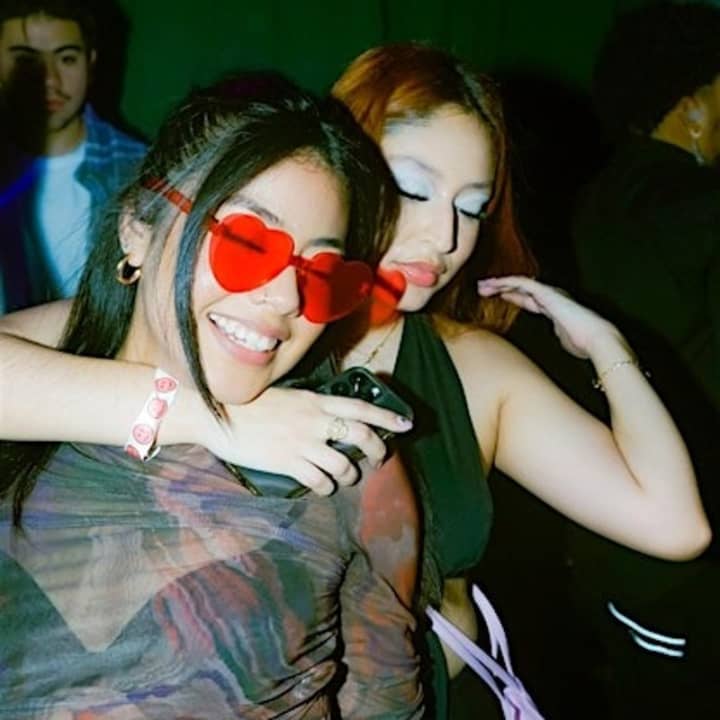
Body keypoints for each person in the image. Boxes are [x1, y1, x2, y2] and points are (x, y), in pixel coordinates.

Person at [0, 43, 711, 718]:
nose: (445, 237)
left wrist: (609, 348)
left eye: (471, 207)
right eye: (413, 190)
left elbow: (672, 521)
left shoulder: (464, 362)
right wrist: (204, 415)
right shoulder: (222, 320)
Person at [0, 70, 424, 718]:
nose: (285, 298)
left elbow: (385, 697)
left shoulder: (341, 456)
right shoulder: (37, 408)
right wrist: (205, 417)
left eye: (322, 274)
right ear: (138, 228)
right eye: (248, 243)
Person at [569, 4, 720, 716]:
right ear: (691, 107)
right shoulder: (700, 209)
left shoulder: (591, 199)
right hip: (693, 557)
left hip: (613, 544)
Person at [0, 0, 146, 314]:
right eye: (26, 60)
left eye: (66, 59)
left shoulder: (140, 172)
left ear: (90, 63)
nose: (50, 80)